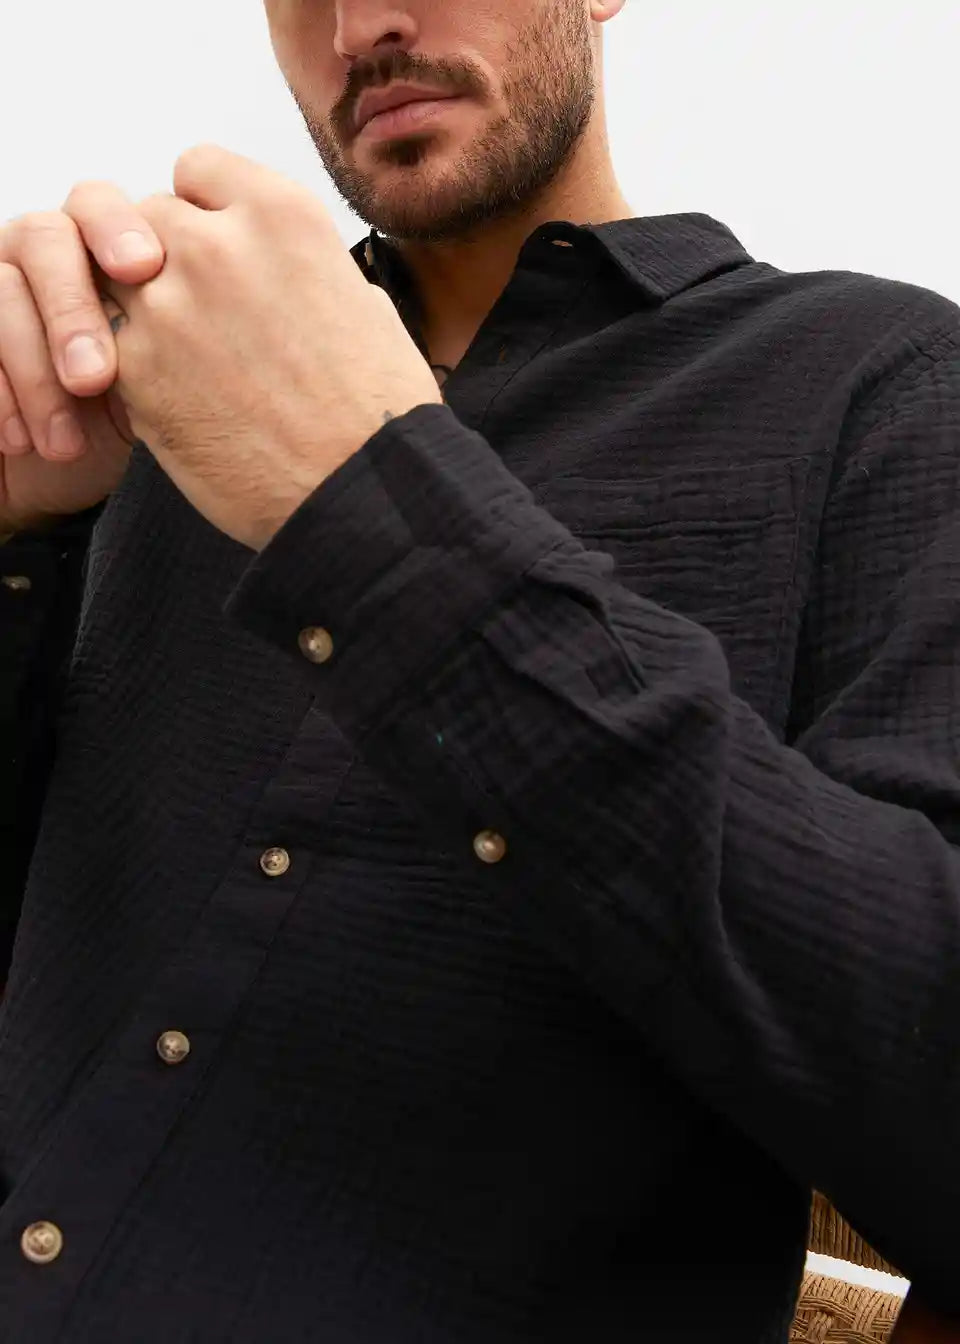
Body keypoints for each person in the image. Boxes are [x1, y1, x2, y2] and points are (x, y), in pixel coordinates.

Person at [0, 1, 958, 1339]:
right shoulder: (154, 409)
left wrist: (379, 512)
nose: (361, 25)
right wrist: (17, 538)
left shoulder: (890, 380)